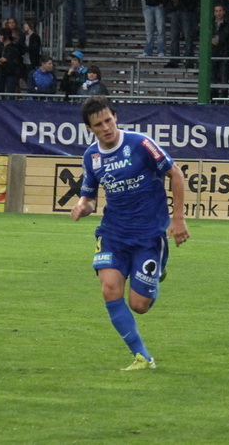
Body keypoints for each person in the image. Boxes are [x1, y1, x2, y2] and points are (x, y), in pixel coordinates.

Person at [71, 96, 189, 370]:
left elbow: (176, 174)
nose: (106, 128)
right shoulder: (91, 157)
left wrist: (178, 218)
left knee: (139, 305)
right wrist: (82, 206)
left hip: (148, 234)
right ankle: (142, 357)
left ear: (116, 117)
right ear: (90, 129)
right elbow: (89, 198)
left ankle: (157, 271)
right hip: (113, 233)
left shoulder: (140, 144)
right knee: (110, 289)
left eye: (108, 120)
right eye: (98, 125)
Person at [164, 0, 200, 69]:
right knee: (174, 37)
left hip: (187, 11)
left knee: (188, 37)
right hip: (175, 10)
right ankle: (174, 59)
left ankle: (189, 60)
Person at [211, 4, 229, 99]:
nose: (218, 13)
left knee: (224, 78)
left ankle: (223, 99)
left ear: (224, 12)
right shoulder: (210, 24)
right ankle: (213, 97)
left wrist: (221, 41)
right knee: (212, 78)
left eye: (220, 10)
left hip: (224, 54)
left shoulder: (228, 24)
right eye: (216, 11)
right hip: (212, 54)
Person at [0, 28, 21, 95]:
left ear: (6, 36)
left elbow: (17, 62)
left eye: (1, 35)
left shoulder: (14, 48)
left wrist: (7, 60)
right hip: (0, 73)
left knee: (11, 93)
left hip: (10, 74)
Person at [22, 19, 42, 84]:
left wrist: (25, 48)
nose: (24, 26)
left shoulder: (35, 36)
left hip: (32, 60)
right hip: (25, 60)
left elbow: (34, 48)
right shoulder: (24, 36)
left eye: (26, 24)